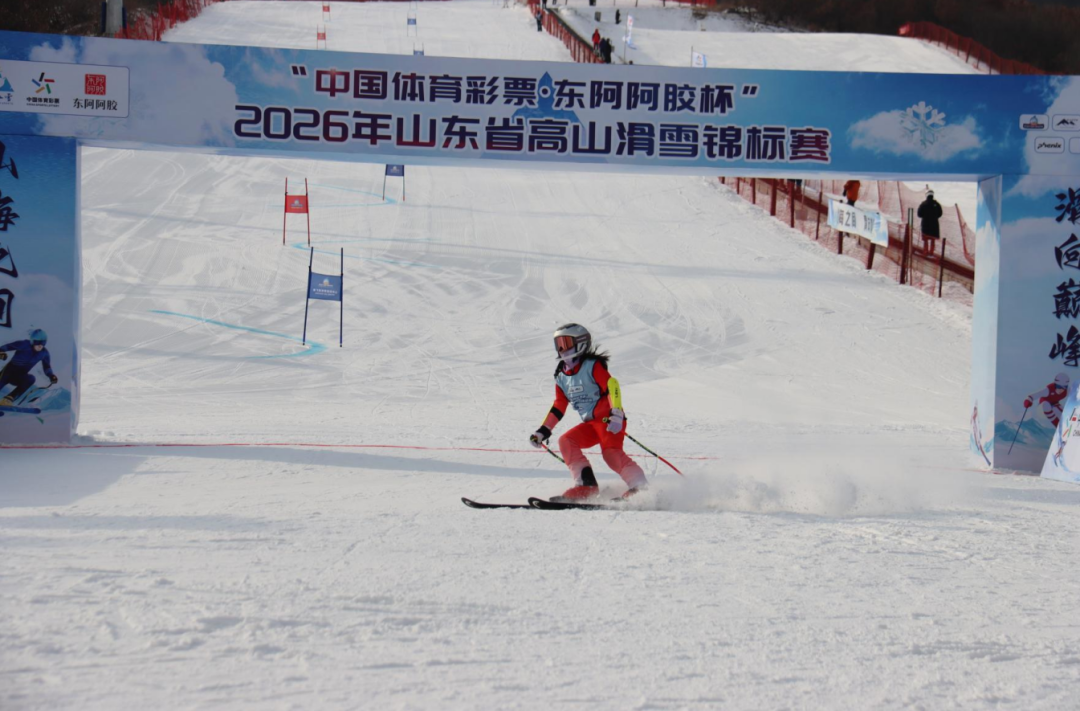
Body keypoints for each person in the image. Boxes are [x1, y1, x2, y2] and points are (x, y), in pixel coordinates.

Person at [529, 324, 648, 501]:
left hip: (609, 420)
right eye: (559, 344)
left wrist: (617, 413)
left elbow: (611, 385)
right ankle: (586, 487)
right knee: (567, 441)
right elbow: (559, 405)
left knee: (611, 453)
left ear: (581, 343)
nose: (562, 349)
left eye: (566, 343)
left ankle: (640, 489)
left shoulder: (592, 366)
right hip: (591, 424)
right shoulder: (562, 375)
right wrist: (543, 430)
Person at [0, 329, 57, 407]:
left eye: (43, 343)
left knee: (31, 378)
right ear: (32, 341)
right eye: (37, 342)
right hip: (8, 372)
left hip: (19, 376)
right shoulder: (24, 344)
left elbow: (47, 367)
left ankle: (8, 399)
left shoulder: (44, 353)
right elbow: (8, 346)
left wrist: (51, 376)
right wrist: (1, 352)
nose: (40, 345)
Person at [917, 189, 943, 254]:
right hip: (934, 224)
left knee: (925, 239)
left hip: (925, 224)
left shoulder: (923, 204)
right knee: (932, 239)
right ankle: (931, 252)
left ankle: (925, 251)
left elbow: (919, 214)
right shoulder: (937, 204)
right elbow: (940, 213)